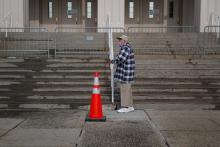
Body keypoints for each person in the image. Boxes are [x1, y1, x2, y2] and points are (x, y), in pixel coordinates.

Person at [111, 34, 135, 113]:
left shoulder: (125, 48)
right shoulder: (128, 48)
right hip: (128, 73)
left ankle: (125, 107)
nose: (118, 42)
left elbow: (121, 58)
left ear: (124, 41)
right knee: (128, 90)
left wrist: (113, 61)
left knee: (124, 90)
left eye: (120, 40)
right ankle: (130, 106)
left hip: (125, 73)